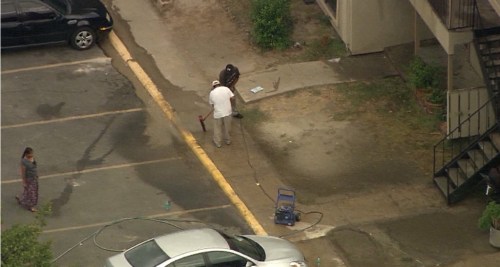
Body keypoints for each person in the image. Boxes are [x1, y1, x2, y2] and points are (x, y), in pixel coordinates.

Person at [209, 80, 234, 148]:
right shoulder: (226, 88)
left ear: (213, 86)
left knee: (217, 128)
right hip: (228, 112)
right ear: (220, 84)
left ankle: (218, 143)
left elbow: (212, 105)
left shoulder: (212, 93)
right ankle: (228, 140)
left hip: (218, 114)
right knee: (227, 127)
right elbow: (232, 97)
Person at [16, 147, 39, 212]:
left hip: (34, 178)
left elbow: (34, 167)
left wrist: (36, 175)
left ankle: (20, 199)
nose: (32, 155)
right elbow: (23, 173)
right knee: (32, 193)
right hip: (29, 179)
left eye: (32, 153)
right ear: (26, 154)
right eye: (30, 154)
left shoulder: (32, 158)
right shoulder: (24, 161)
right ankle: (30, 206)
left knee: (28, 191)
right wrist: (24, 182)